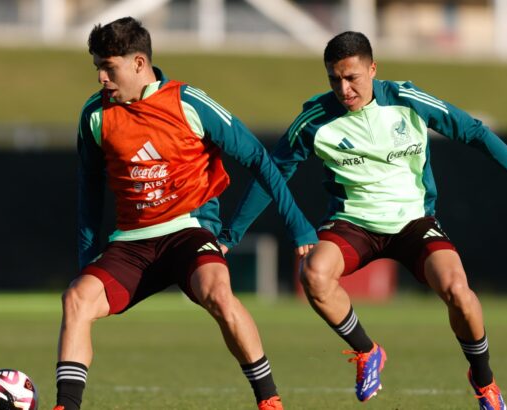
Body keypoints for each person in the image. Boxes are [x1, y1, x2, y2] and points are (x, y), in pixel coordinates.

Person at [219, 31, 507, 410]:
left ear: (372, 69)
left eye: (352, 77)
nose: (344, 88)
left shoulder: (406, 99)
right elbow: (270, 174)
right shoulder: (315, 120)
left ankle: (483, 380)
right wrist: (230, 235)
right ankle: (367, 351)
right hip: (353, 223)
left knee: (458, 292)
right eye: (334, 79)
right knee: (314, 274)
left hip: (414, 223)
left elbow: (473, 131)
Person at [53, 17, 317, 410]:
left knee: (217, 290)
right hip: (131, 244)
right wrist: (87, 259)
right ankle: (66, 407)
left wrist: (297, 226)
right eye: (98, 68)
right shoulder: (95, 115)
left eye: (109, 68)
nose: (101, 79)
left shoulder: (188, 102)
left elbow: (260, 160)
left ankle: (269, 401)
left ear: (139, 63)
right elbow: (89, 190)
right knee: (77, 298)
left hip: (188, 231)